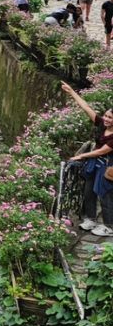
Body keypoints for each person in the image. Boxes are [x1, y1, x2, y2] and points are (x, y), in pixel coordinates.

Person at [60, 81, 113, 237]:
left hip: (108, 165)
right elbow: (86, 107)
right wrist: (71, 92)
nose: (106, 119)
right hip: (94, 165)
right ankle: (91, 219)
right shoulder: (102, 125)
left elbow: (102, 151)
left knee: (105, 195)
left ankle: (109, 226)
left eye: (110, 118)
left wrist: (81, 155)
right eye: (106, 116)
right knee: (88, 191)